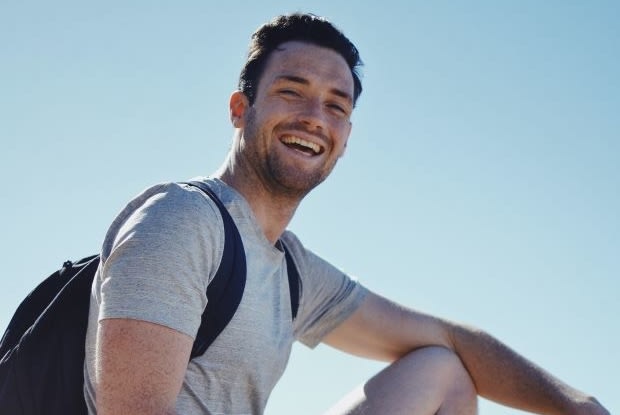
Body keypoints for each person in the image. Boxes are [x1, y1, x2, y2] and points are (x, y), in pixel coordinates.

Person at [83, 12, 609, 415]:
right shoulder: (182, 222)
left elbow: (449, 339)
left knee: (441, 369)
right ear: (241, 110)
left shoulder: (291, 271)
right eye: (292, 92)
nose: (314, 118)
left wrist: (579, 407)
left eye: (336, 106)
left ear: (346, 137)